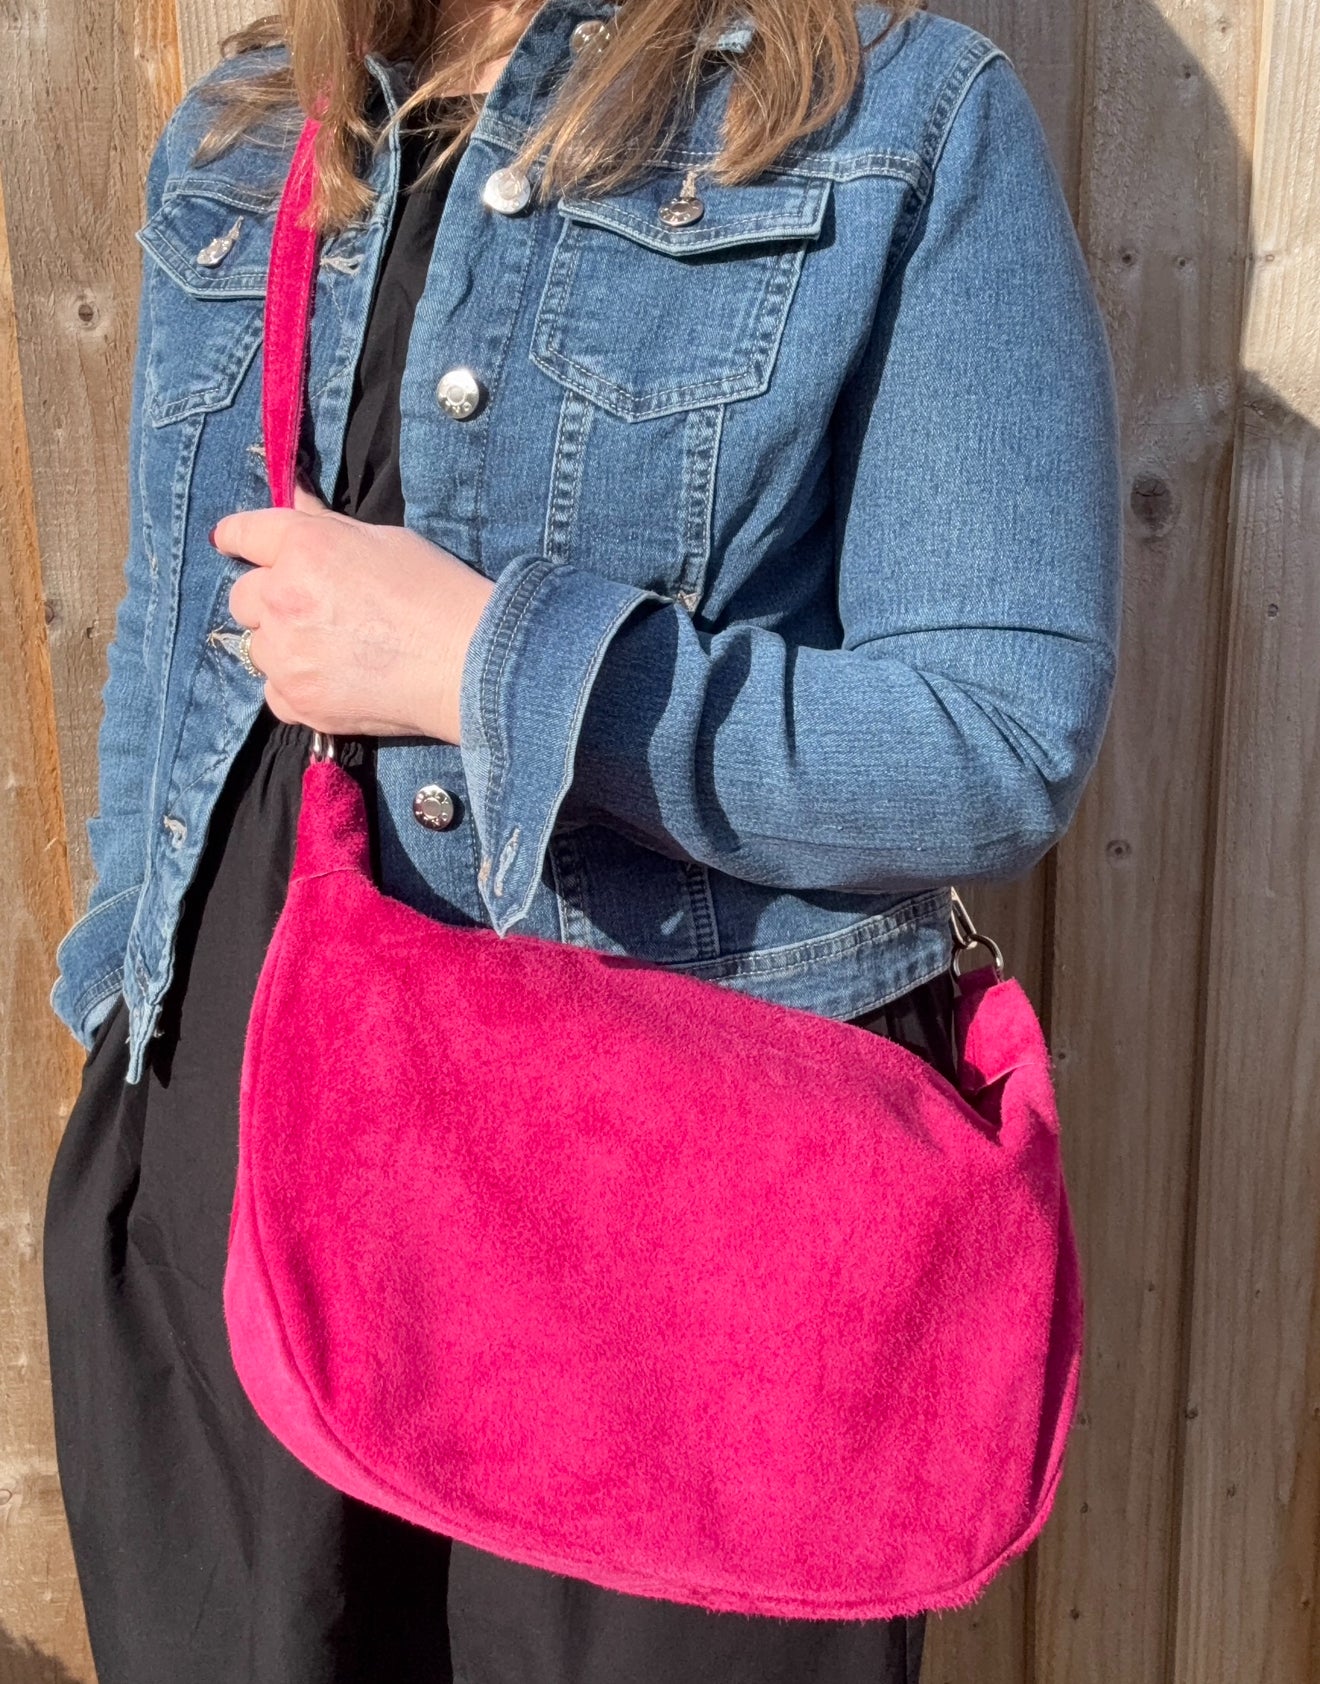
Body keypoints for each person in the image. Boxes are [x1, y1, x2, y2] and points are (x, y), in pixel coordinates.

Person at [42, 0, 1122, 1679]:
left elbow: (990, 745)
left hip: (660, 1232)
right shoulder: (257, 124)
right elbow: (175, 622)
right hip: (234, 1155)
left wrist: (494, 665)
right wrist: (126, 1028)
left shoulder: (896, 115)